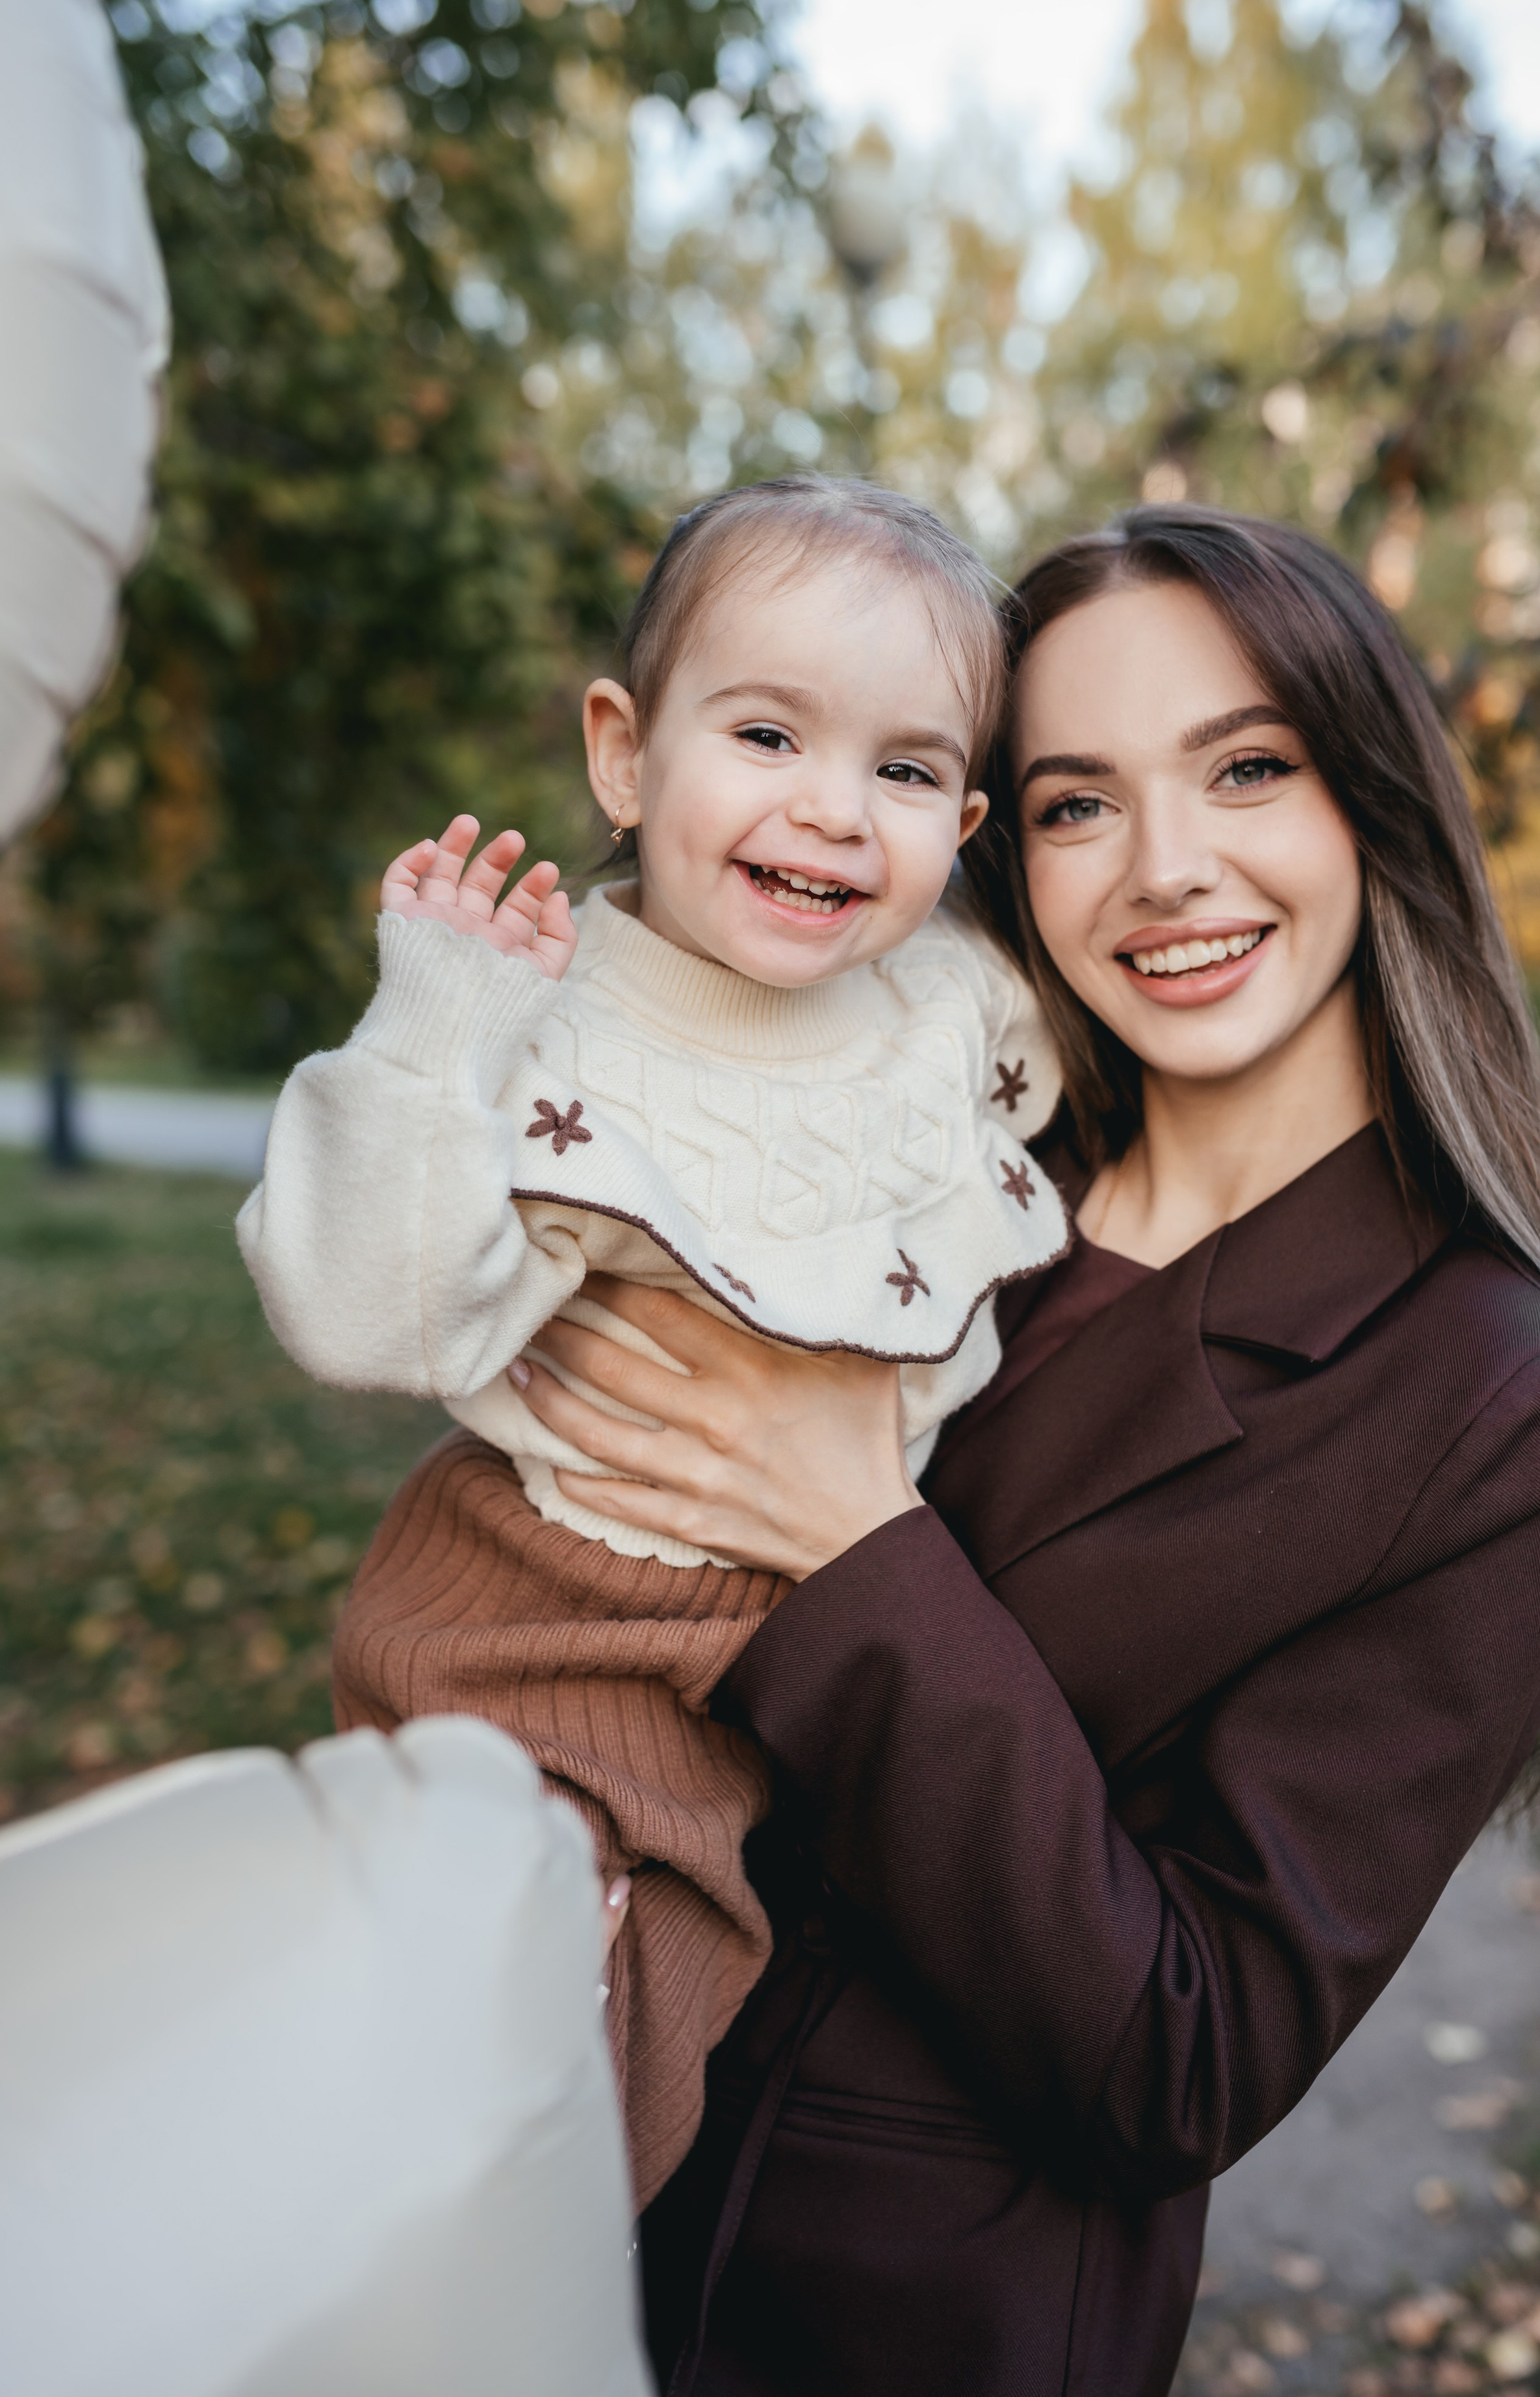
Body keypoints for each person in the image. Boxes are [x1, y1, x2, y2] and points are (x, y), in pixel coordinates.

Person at [501, 506, 1540, 2397]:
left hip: (889, 2321)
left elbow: (1182, 2057)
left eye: (1248, 770)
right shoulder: (935, 1169)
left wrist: (858, 1544)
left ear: (1372, 800)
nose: (1164, 872)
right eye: (1073, 803)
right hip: (551, 2211)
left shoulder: (1504, 1404)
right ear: (997, 852)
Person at [236, 474, 1069, 2210]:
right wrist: (432, 1027)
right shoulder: (549, 1030)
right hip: (566, 1618)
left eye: (906, 771)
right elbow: (360, 1310)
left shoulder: (961, 1004)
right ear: (625, 754)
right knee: (526, 2023)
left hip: (806, 1619)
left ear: (966, 815)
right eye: (768, 734)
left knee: (684, 2041)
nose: (836, 813)